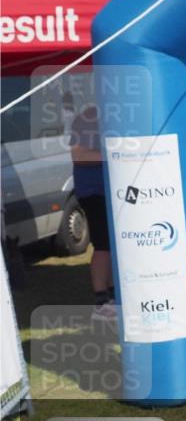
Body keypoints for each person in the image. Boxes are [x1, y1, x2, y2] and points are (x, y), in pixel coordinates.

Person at [68, 106, 115, 322]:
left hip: (113, 191)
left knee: (113, 245)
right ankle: (101, 302)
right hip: (94, 192)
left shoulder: (115, 117)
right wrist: (114, 153)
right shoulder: (86, 119)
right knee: (103, 244)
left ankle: (113, 298)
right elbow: (78, 155)